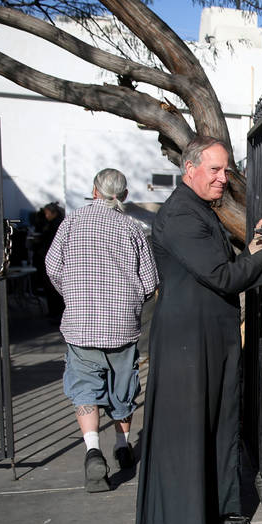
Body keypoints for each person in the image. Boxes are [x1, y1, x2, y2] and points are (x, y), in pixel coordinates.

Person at [135, 136, 262, 524]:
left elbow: (223, 268)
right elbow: (223, 277)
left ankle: (219, 506)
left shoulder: (199, 211)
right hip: (186, 340)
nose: (224, 178)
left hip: (210, 335)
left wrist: (258, 247)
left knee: (220, 422)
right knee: (184, 431)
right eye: (216, 170)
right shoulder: (181, 215)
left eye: (226, 170)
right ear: (190, 169)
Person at [45, 169, 158, 492]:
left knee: (85, 386)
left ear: (95, 191)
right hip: (121, 323)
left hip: (81, 324)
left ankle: (93, 449)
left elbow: (53, 266)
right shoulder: (132, 229)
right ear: (122, 195)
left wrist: (73, 293)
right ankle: (122, 443)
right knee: (122, 386)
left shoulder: (71, 223)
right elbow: (150, 280)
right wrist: (134, 299)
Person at [35, 201, 65, 320]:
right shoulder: (52, 224)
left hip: (50, 258)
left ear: (54, 213)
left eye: (48, 214)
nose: (46, 216)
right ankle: (54, 312)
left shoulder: (56, 225)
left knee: (52, 290)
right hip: (47, 257)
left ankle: (56, 313)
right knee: (50, 289)